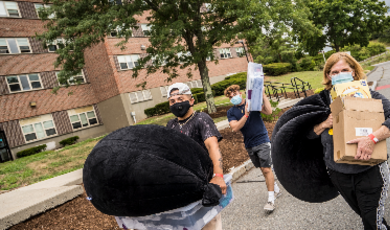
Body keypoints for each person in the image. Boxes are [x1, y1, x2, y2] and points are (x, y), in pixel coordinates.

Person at [308, 52, 390, 229]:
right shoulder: (320, 101)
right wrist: (324, 124)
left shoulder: (370, 95)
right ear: (328, 75)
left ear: (353, 71)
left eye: (344, 70)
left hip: (370, 170)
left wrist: (372, 138)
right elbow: (306, 134)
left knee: (372, 222)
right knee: (368, 216)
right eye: (335, 72)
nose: (339, 75)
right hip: (339, 173)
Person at [166, 82, 227, 230]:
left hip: (204, 182)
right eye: (172, 101)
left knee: (209, 224)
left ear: (191, 100)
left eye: (180, 99)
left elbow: (212, 146)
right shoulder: (170, 125)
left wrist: (218, 175)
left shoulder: (201, 119)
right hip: (183, 185)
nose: (176, 103)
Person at [225, 84, 282, 212]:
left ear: (240, 93)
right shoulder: (231, 112)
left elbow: (268, 111)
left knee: (266, 169)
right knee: (263, 169)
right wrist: (246, 115)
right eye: (230, 96)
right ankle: (276, 189)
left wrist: (262, 95)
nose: (233, 97)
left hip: (262, 140)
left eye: (234, 94)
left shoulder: (253, 103)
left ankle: (271, 200)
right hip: (249, 144)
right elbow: (234, 128)